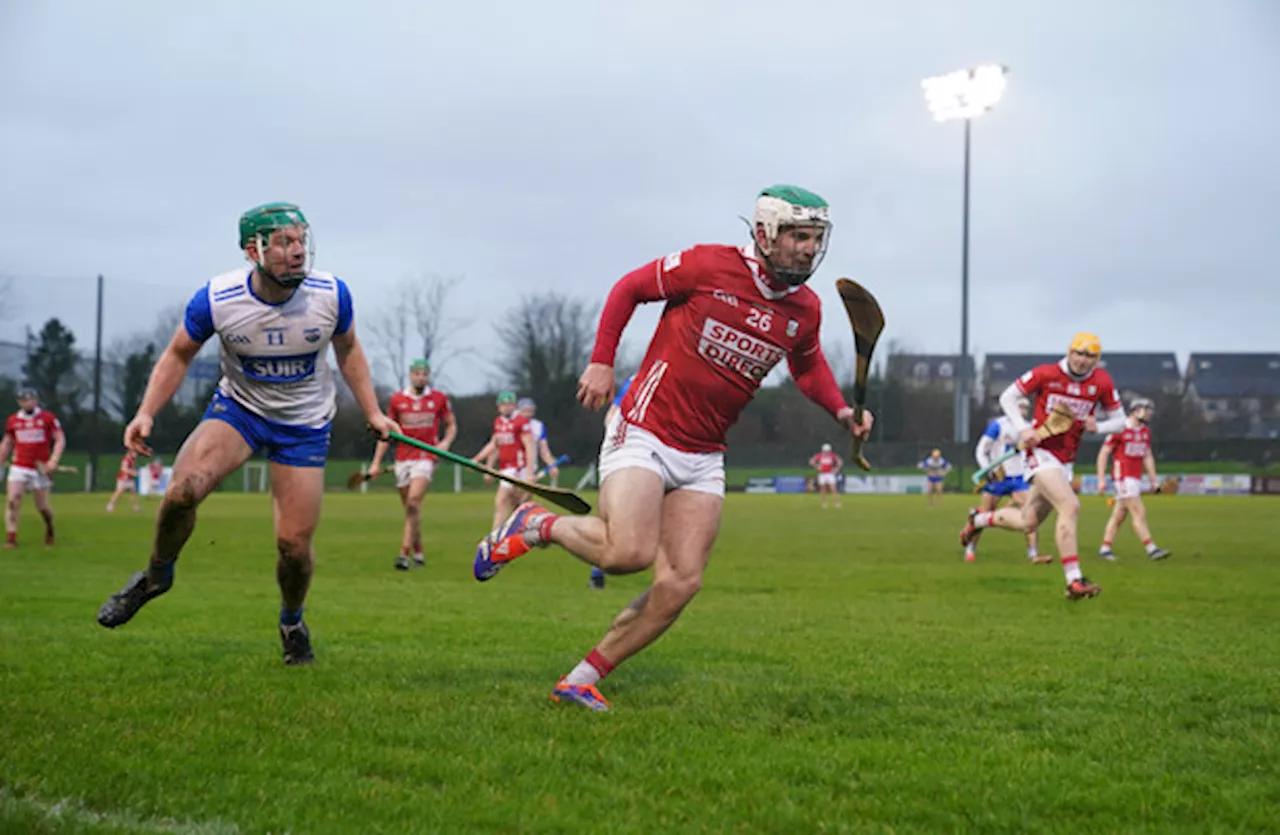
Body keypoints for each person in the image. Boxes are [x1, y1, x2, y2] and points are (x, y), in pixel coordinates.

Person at [471, 184, 874, 711]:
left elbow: (807, 367)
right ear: (764, 233)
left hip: (705, 453)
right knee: (626, 554)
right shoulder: (707, 266)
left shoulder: (805, 309)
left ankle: (580, 679)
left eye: (815, 238)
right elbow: (628, 288)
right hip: (645, 428)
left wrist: (843, 411)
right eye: (798, 235)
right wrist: (601, 360)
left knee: (681, 581)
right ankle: (536, 525)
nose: (808, 248)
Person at [95, 202, 398, 665]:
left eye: (300, 240)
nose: (297, 252)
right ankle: (156, 576)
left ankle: (292, 622)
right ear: (252, 250)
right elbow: (178, 355)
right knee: (180, 492)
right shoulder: (218, 298)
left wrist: (373, 411)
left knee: (293, 547)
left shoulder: (331, 294)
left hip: (304, 424)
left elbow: (349, 350)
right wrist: (145, 413)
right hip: (240, 410)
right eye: (283, 242)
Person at [960, 332, 1126, 600]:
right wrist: (1024, 428)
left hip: (1066, 460)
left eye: (1089, 356)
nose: (1082, 361)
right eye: (1078, 353)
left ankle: (977, 520)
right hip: (1040, 454)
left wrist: (1100, 426)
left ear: (1097, 360)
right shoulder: (1046, 374)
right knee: (1070, 506)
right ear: (1069, 351)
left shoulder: (1102, 382)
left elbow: (1120, 420)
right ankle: (1074, 581)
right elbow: (1008, 398)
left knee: (1028, 522)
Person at [368, 359, 457, 570]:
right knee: (411, 510)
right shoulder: (398, 400)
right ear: (410, 375)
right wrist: (376, 463)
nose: (421, 377)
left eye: (424, 374)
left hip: (426, 458)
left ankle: (403, 554)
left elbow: (451, 425)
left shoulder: (438, 399)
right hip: (402, 459)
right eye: (417, 373)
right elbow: (386, 434)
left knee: (413, 503)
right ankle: (419, 552)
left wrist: (445, 443)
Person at [965, 397, 1044, 564]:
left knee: (1030, 514)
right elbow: (981, 450)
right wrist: (988, 469)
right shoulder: (998, 425)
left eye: (1025, 407)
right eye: (1020, 407)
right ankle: (970, 548)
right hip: (998, 478)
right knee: (985, 514)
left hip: (1018, 478)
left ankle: (1033, 554)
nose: (1023, 410)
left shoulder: (1029, 428)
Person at [1096, 397, 1170, 561]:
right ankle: (1151, 548)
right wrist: (1101, 479)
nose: (1150, 413)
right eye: (1146, 409)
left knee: (1119, 515)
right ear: (1136, 410)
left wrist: (1153, 481)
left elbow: (1147, 456)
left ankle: (1105, 548)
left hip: (1135, 478)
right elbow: (1104, 453)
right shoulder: (1120, 429)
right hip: (1122, 477)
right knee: (1138, 511)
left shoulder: (1145, 432)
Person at [0, 387, 64, 548]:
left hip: (40, 468)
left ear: (36, 400)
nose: (26, 402)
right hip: (19, 466)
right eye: (23, 400)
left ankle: (49, 527)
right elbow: (7, 443)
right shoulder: (13, 420)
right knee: (13, 500)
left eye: (29, 399)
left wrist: (53, 461)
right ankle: (11, 539)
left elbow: (60, 439)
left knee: (42, 506)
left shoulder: (47, 418)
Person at [471, 391, 536, 532]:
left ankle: (495, 535)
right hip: (505, 467)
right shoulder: (498, 422)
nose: (506, 407)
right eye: (503, 404)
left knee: (502, 500)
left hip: (519, 468)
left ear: (514, 405)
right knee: (514, 504)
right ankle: (515, 532)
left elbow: (530, 447)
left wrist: (530, 472)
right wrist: (479, 460)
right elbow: (494, 445)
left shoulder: (521, 422)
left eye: (509, 404)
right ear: (498, 406)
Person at [517, 397, 561, 486]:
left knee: (525, 497)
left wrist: (552, 465)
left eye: (530, 411)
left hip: (530, 468)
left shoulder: (538, 426)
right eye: (524, 411)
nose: (527, 414)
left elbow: (544, 450)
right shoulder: (510, 424)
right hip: (513, 466)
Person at [105, 450, 142, 514]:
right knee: (118, 492)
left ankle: (135, 506)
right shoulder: (126, 460)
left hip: (129, 479)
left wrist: (134, 472)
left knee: (133, 492)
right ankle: (110, 505)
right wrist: (132, 472)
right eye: (135, 453)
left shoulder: (133, 461)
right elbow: (124, 469)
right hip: (123, 479)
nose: (136, 455)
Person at [808, 442, 843, 509]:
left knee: (833, 489)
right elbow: (811, 461)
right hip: (822, 474)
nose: (826, 452)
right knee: (822, 489)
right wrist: (816, 466)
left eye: (827, 451)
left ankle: (837, 503)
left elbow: (840, 462)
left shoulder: (832, 455)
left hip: (830, 474)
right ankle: (824, 503)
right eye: (825, 451)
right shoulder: (819, 455)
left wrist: (836, 469)